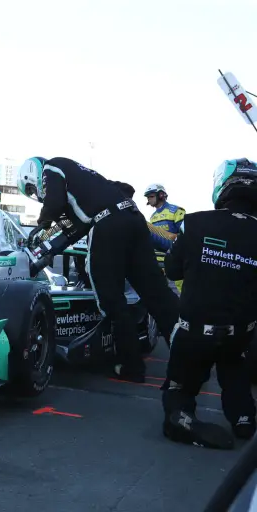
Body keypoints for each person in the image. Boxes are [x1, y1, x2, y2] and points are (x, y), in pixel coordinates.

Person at [18, 156, 179, 382]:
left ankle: (131, 366)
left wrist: (43, 223)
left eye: (33, 189)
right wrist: (46, 252)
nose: (37, 194)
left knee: (111, 300)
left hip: (109, 224)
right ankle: (189, 362)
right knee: (158, 295)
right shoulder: (88, 187)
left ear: (33, 174)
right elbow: (73, 229)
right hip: (133, 220)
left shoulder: (53, 166)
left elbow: (54, 205)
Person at [160, 158, 257, 449]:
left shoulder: (195, 222)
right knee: (234, 368)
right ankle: (243, 420)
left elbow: (172, 271)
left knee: (180, 384)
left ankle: (180, 418)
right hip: (241, 333)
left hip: (195, 330)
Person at [144, 183, 186, 293]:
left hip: (173, 259)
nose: (149, 199)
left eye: (151, 196)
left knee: (180, 293)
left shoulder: (176, 211)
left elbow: (184, 235)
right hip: (158, 263)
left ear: (161, 195)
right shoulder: (153, 216)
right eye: (148, 197)